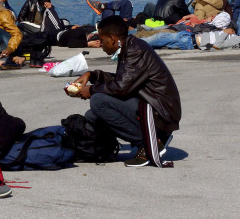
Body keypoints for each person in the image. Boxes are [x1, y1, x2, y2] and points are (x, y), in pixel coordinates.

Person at [69, 16, 181, 168]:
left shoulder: (135, 50)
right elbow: (124, 81)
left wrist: (92, 90)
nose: (101, 44)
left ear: (112, 38)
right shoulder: (130, 47)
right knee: (92, 116)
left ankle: (148, 144)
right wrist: (92, 75)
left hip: (160, 112)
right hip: (149, 105)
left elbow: (121, 88)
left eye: (102, 40)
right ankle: (105, 149)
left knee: (98, 101)